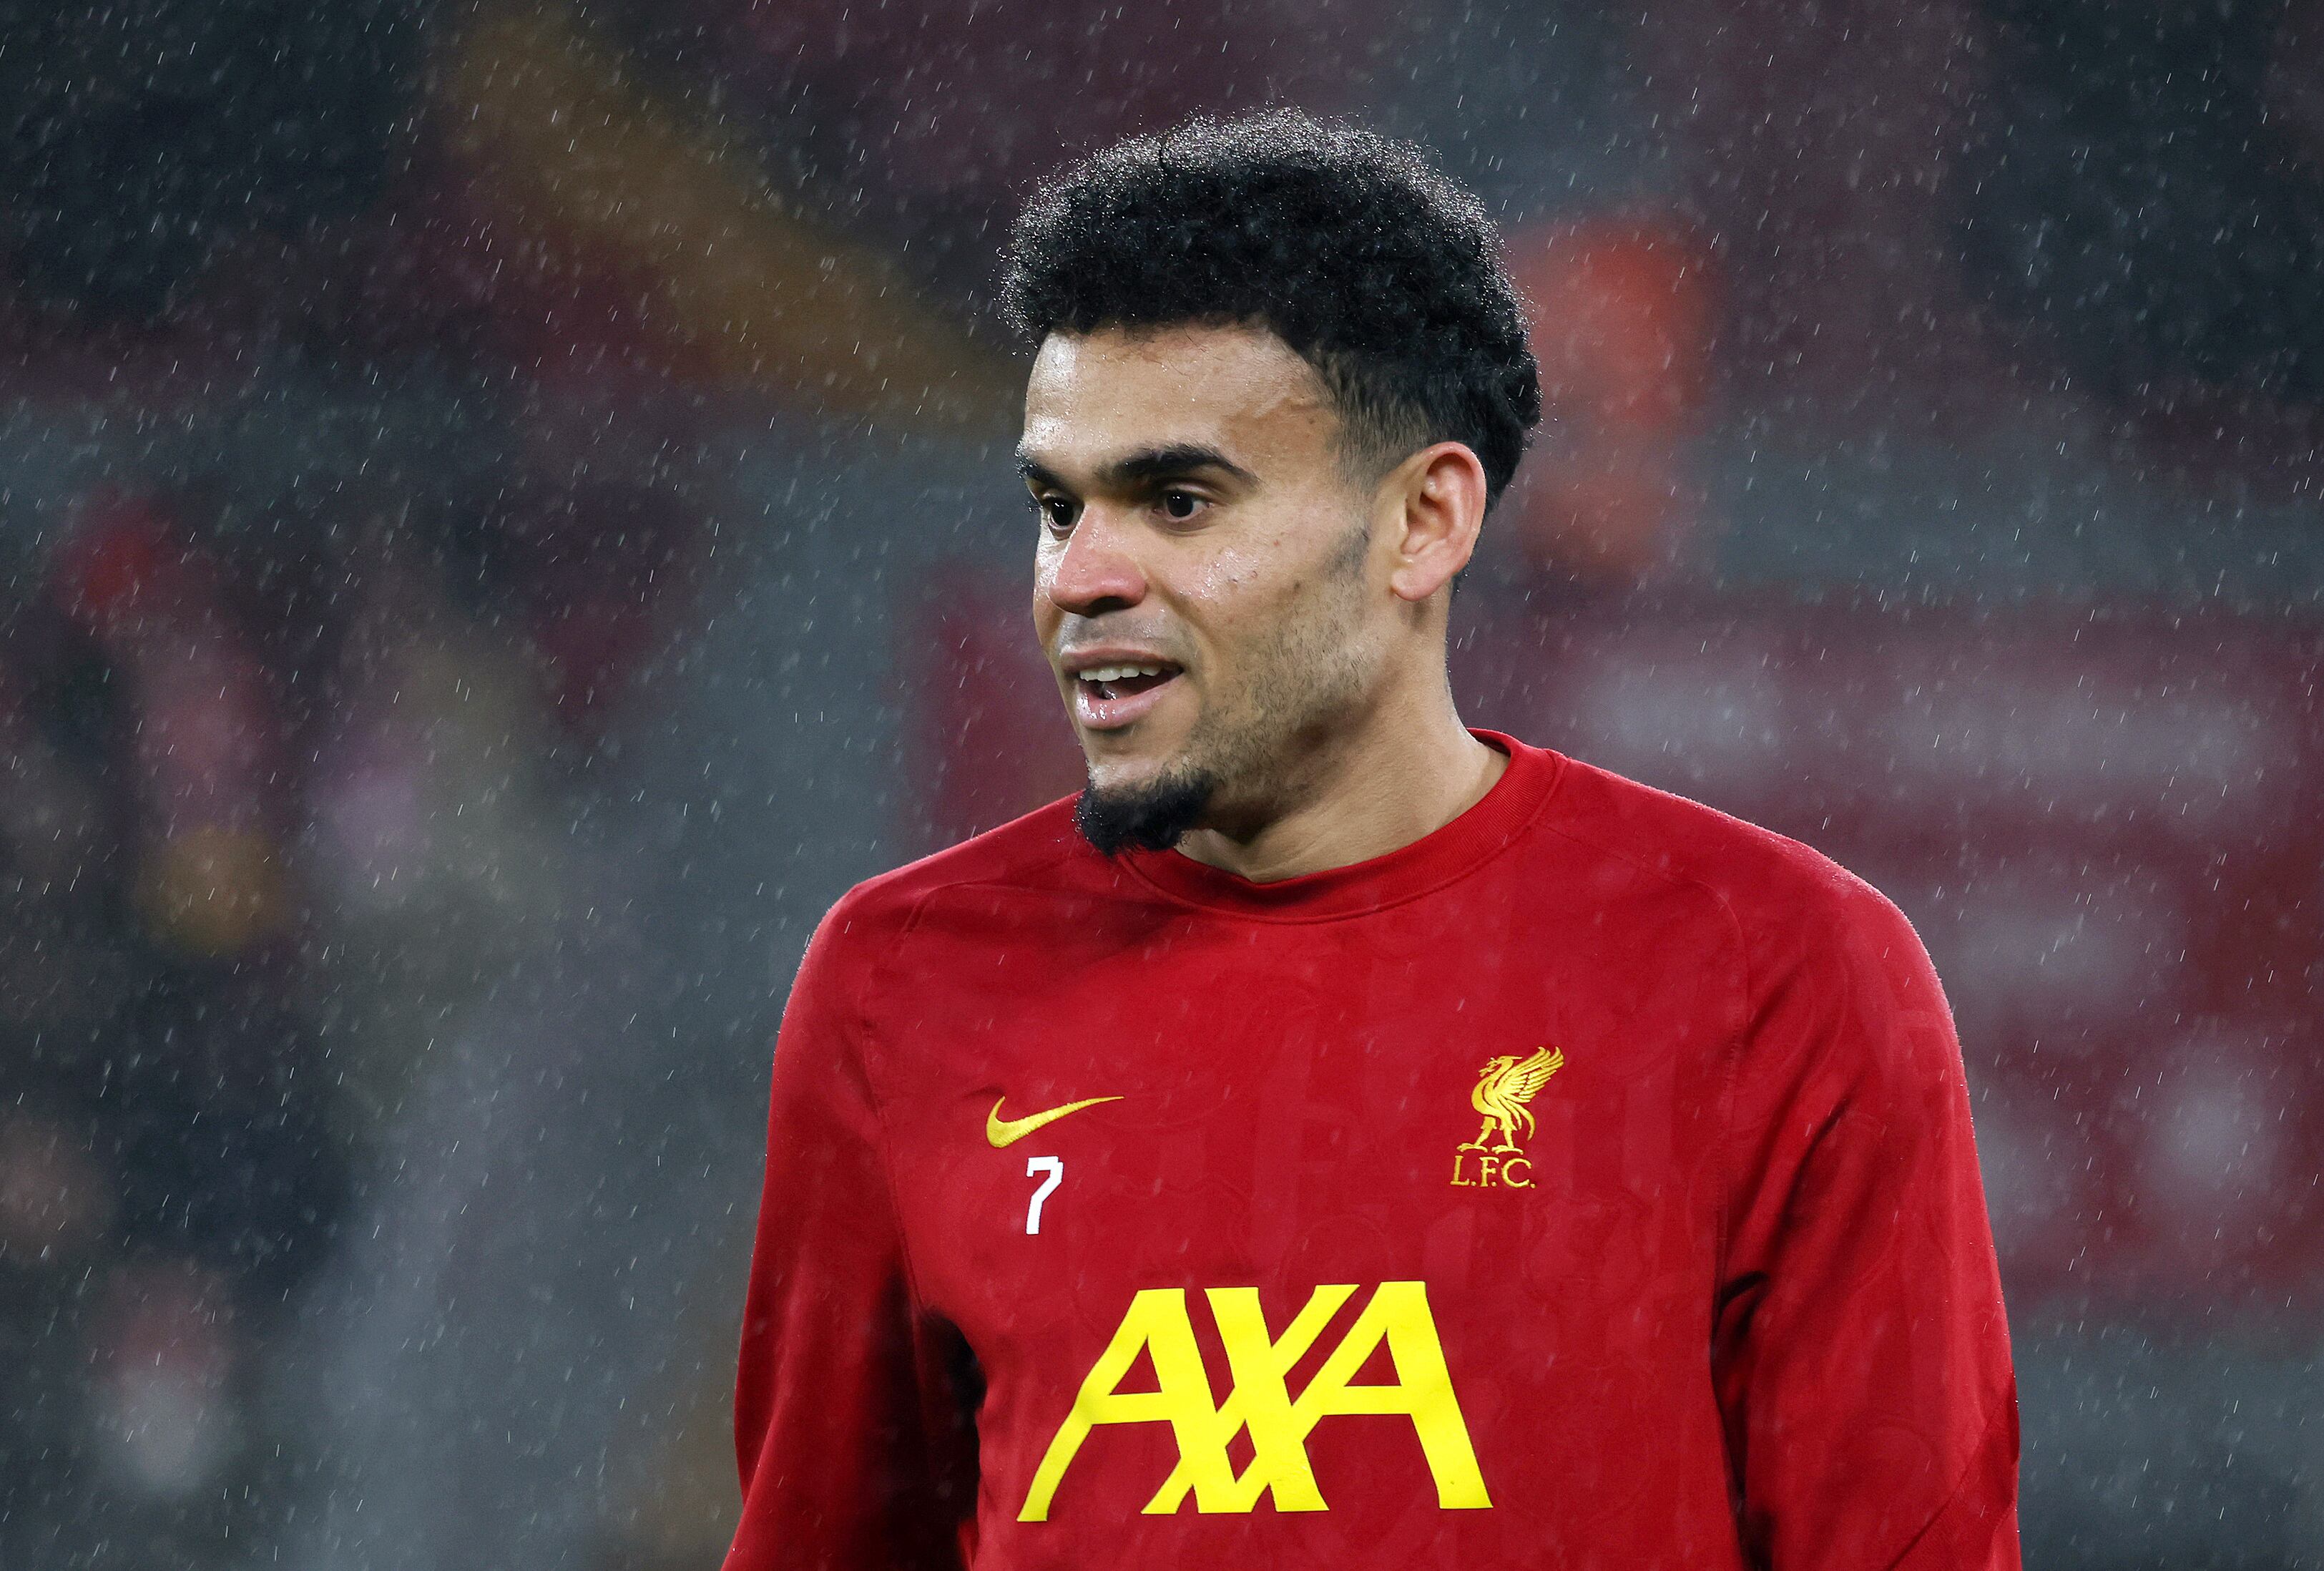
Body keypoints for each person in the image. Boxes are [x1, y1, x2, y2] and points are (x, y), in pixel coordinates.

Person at [722, 110, 2019, 1570]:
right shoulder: (900, 980)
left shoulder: (1778, 974)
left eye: (1178, 498)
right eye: (1053, 506)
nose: (1079, 579)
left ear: (1423, 521)